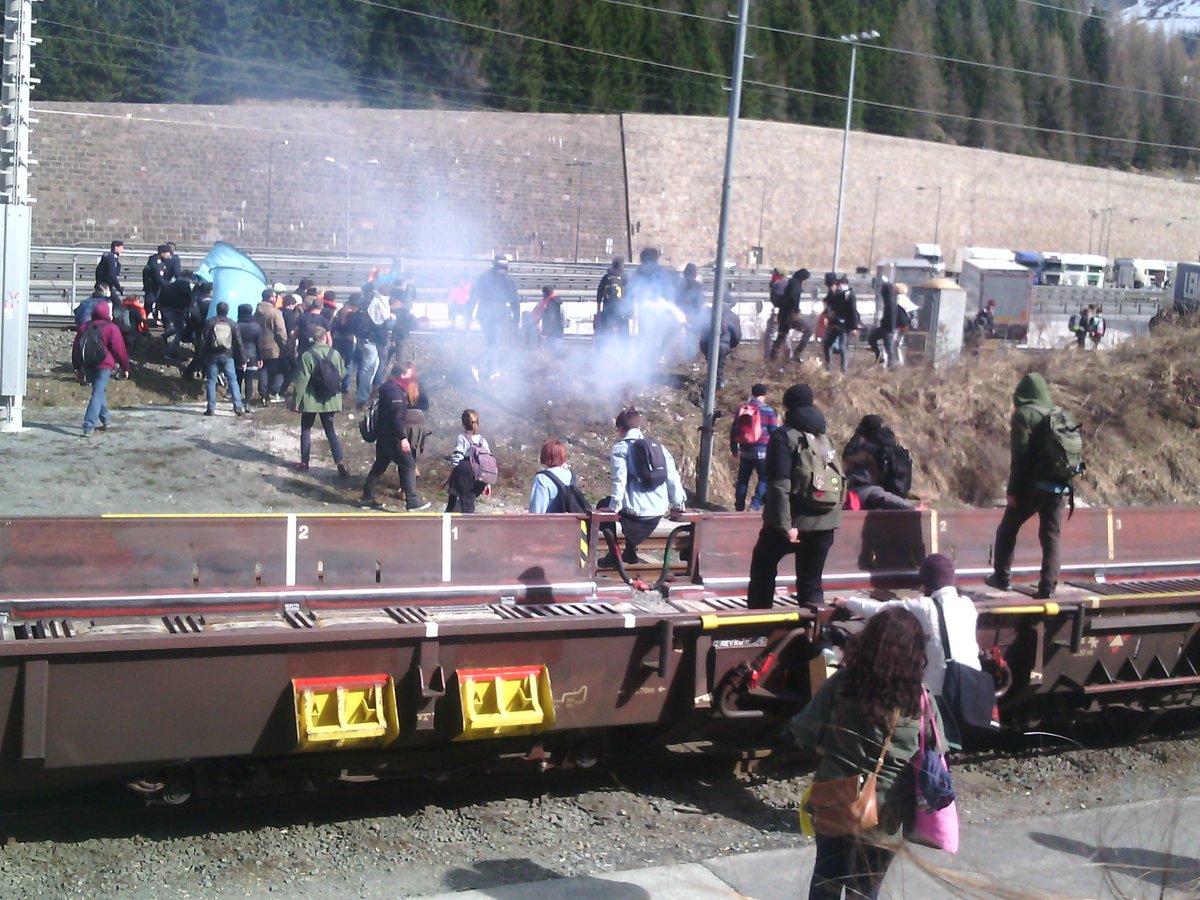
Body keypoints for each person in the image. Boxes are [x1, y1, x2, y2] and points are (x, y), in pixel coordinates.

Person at [789, 606, 944, 900]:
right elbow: (936, 753)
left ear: (868, 643)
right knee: (865, 891)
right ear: (914, 653)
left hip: (835, 799)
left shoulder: (843, 684)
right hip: (886, 817)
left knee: (826, 882)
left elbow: (803, 732)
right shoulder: (921, 700)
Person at [746, 384, 842, 609]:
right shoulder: (824, 437)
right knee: (811, 581)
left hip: (792, 523)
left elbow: (779, 485)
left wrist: (786, 525)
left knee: (763, 567)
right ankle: (814, 637)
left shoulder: (783, 436)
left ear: (788, 406)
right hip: (825, 522)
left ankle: (757, 627)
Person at [831, 554, 979, 696]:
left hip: (941, 692)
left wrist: (848, 602)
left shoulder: (924, 606)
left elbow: (880, 610)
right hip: (973, 686)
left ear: (925, 583)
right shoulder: (968, 605)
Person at [985, 372, 1067, 599]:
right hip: (1059, 485)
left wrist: (1013, 491)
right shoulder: (1057, 413)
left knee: (1007, 529)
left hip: (1034, 486)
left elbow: (1019, 457)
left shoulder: (1024, 415)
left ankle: (1001, 577)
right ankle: (1047, 587)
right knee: (1052, 536)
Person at [600, 407, 686, 568]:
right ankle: (630, 553)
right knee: (624, 504)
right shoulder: (658, 447)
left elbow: (619, 481)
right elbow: (673, 477)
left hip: (636, 517)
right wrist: (678, 505)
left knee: (602, 506)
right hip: (658, 512)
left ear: (621, 429)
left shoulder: (621, 448)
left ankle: (614, 555)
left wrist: (614, 508)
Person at [360, 363, 431, 512]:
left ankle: (367, 498)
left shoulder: (388, 387)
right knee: (409, 465)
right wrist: (402, 437)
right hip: (393, 437)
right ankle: (411, 501)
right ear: (402, 375)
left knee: (378, 467)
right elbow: (397, 418)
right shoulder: (395, 393)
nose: (411, 377)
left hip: (383, 435)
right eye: (409, 374)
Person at [291, 324, 348, 477]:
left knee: (306, 429)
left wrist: (296, 402)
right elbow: (342, 373)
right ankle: (340, 461)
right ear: (324, 337)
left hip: (312, 399)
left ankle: (304, 462)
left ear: (312, 339)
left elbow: (301, 381)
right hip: (331, 398)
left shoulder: (307, 355)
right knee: (330, 430)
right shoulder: (334, 354)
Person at [71, 299, 130, 437]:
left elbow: (76, 349)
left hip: (88, 364)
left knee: (99, 391)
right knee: (97, 393)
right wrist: (125, 367)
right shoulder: (111, 328)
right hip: (104, 365)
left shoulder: (84, 327)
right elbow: (120, 350)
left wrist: (78, 368)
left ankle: (105, 420)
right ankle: (88, 425)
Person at [469, 255, 520, 381]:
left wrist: (469, 313)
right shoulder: (507, 281)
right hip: (496, 315)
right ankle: (478, 365)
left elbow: (474, 295)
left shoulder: (483, 278)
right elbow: (514, 300)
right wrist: (517, 317)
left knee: (491, 343)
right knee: (495, 344)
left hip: (483, 314)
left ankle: (493, 371)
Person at [729, 383, 778, 512]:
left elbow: (734, 430)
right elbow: (774, 433)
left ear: (752, 393)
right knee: (765, 478)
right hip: (763, 452)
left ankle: (739, 507)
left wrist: (734, 449)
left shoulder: (743, 409)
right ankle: (755, 505)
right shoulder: (769, 411)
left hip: (745, 450)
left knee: (743, 480)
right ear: (764, 395)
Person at [199, 301, 246, 417]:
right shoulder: (232, 324)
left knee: (211, 381)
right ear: (228, 311)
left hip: (212, 356)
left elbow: (203, 341)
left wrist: (201, 356)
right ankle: (238, 405)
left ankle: (211, 407)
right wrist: (242, 359)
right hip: (228, 356)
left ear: (217, 310)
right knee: (233, 381)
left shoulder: (210, 322)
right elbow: (239, 343)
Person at [445, 409, 493, 513]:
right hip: (480, 473)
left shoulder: (462, 438)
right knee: (469, 500)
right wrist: (487, 482)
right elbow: (488, 461)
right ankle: (468, 521)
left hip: (465, 472)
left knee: (457, 497)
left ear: (463, 423)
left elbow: (457, 457)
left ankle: (454, 522)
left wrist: (450, 477)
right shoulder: (482, 440)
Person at [698, 290, 741, 389]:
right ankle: (716, 388)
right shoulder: (732, 316)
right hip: (723, 346)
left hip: (707, 345)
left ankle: (711, 386)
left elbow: (701, 329)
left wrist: (704, 345)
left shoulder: (708, 313)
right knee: (719, 368)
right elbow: (737, 335)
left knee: (711, 366)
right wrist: (731, 346)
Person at [770, 268, 813, 364]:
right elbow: (794, 296)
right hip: (791, 315)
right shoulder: (796, 284)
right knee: (809, 331)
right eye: (806, 279)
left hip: (783, 315)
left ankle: (772, 359)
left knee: (781, 337)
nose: (806, 282)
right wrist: (797, 309)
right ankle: (797, 354)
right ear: (803, 278)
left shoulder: (790, 283)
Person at [255, 287, 289, 403]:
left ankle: (263, 394)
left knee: (263, 370)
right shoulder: (275, 312)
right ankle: (274, 392)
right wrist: (285, 344)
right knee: (279, 370)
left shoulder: (257, 312)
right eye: (274, 296)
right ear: (271, 298)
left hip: (259, 346)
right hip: (274, 347)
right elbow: (281, 331)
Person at [528, 439, 578, 513]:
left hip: (550, 524)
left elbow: (537, 511)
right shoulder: (571, 475)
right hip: (572, 523)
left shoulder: (542, 478)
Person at [822, 274, 860, 373]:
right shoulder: (835, 293)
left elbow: (853, 311)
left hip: (844, 324)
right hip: (834, 322)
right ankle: (828, 367)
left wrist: (854, 327)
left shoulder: (849, 294)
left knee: (843, 346)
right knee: (828, 344)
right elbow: (828, 302)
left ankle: (844, 370)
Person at [235, 303, 263, 408]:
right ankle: (247, 402)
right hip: (253, 355)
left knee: (238, 379)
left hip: (238, 355)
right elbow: (259, 344)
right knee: (249, 380)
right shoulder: (256, 326)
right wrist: (260, 358)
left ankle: (237, 402)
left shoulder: (236, 325)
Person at [330, 294, 359, 395]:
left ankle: (334, 383)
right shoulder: (353, 313)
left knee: (336, 362)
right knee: (348, 364)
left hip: (337, 338)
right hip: (349, 339)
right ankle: (345, 387)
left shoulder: (340, 310)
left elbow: (333, 324)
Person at [868, 280, 897, 367]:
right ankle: (878, 356)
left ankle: (891, 366)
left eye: (883, 290)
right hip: (884, 327)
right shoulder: (887, 301)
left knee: (888, 347)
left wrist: (891, 331)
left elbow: (892, 317)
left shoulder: (891, 302)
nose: (881, 292)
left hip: (888, 329)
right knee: (871, 338)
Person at [595, 256, 626, 338]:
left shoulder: (606, 277)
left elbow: (599, 294)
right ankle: (624, 348)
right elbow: (630, 295)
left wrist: (598, 311)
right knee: (623, 334)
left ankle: (604, 348)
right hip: (621, 311)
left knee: (605, 333)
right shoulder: (624, 278)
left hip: (607, 310)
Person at [141, 244, 172, 320]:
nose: (169, 255)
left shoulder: (159, 261)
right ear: (162, 253)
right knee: (150, 305)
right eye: (168, 252)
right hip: (153, 288)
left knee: (155, 305)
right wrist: (167, 286)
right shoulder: (156, 262)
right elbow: (158, 277)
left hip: (155, 288)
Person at [893, 285, 916, 366]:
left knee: (894, 342)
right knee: (900, 342)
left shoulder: (898, 298)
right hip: (906, 323)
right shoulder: (906, 299)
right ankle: (900, 361)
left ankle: (897, 361)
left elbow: (895, 311)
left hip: (898, 324)